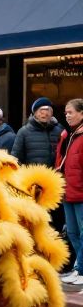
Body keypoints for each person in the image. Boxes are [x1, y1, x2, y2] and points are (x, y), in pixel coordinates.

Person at [57, 98, 83, 285]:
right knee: (72, 233)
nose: (67, 115)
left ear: (82, 114)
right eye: (66, 113)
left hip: (81, 193)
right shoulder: (67, 135)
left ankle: (80, 270)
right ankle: (79, 268)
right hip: (67, 192)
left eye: (71, 112)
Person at [11, 97, 63, 166]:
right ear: (34, 113)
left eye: (48, 111)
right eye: (41, 111)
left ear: (52, 113)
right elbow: (15, 158)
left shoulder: (59, 130)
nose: (44, 114)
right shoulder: (24, 132)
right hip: (32, 175)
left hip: (55, 175)